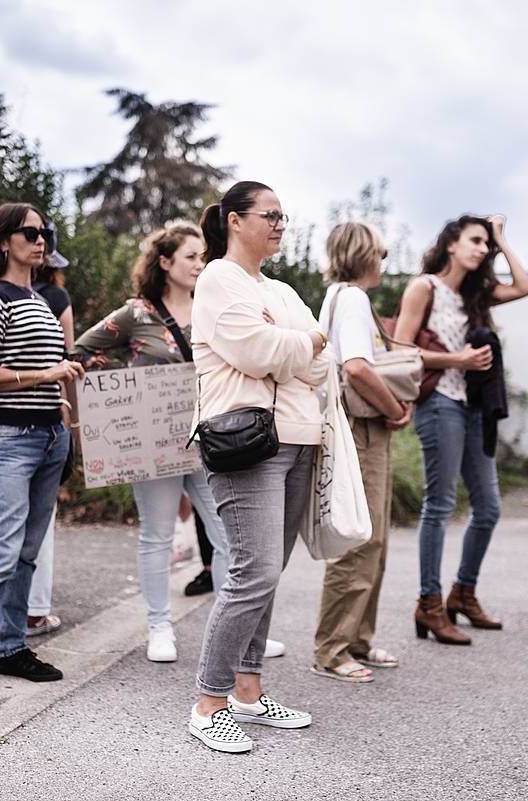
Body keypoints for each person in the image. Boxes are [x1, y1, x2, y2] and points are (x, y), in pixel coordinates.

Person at [186, 181, 329, 753]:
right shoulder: (217, 280)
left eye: (283, 217)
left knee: (267, 575)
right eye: (269, 215)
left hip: (295, 439)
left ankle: (248, 692)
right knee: (254, 571)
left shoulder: (282, 290)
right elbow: (260, 351)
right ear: (233, 221)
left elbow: (320, 369)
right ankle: (208, 702)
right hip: (246, 443)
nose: (279, 224)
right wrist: (307, 341)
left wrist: (295, 346)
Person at [0, 203, 84, 716]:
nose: (41, 240)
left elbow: (44, 366)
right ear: (5, 241)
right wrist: (47, 378)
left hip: (49, 436)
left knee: (27, 549)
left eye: (45, 232)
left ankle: (8, 649)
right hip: (6, 436)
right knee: (1, 549)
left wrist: (62, 406)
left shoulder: (39, 298)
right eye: (31, 233)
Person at [74, 222, 231, 662]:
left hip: (210, 437)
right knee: (158, 536)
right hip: (153, 444)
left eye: (203, 257)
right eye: (191, 257)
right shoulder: (136, 314)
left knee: (227, 538)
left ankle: (232, 630)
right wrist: (115, 407)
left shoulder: (213, 308)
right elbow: (81, 354)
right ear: (165, 263)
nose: (201, 264)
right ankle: (159, 627)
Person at [394, 214, 528, 645]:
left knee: (488, 507)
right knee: (440, 503)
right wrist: (458, 361)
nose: (481, 249)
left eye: (485, 245)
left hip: (475, 409)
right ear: (451, 244)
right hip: (440, 404)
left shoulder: (476, 295)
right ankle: (429, 603)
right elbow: (400, 348)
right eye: (475, 240)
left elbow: (525, 286)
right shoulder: (425, 287)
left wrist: (502, 239)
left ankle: (463, 594)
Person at [310, 221, 412, 682]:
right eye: (381, 252)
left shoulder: (336, 297)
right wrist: (395, 408)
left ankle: (358, 638)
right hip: (362, 426)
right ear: (363, 255)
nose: (384, 261)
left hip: (357, 424)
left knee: (375, 537)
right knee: (359, 538)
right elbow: (356, 368)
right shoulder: (352, 299)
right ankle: (332, 649)